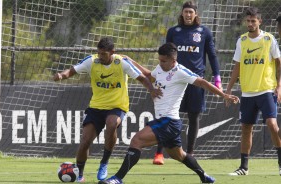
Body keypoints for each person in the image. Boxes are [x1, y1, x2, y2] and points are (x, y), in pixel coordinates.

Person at [99, 43, 239, 184]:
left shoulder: (181, 72)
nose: (160, 63)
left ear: (173, 61)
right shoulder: (160, 67)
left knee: (136, 140)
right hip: (167, 122)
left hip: (168, 121)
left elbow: (202, 83)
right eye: (159, 60)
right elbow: (149, 75)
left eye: (163, 61)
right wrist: (130, 60)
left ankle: (117, 178)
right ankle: (205, 176)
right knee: (180, 155)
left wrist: (224, 95)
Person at [53, 37, 161, 182]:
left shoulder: (121, 63)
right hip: (96, 106)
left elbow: (142, 78)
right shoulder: (91, 61)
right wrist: (61, 75)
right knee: (85, 141)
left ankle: (104, 163)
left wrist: (151, 90)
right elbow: (72, 71)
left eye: (103, 54)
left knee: (111, 124)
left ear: (112, 52)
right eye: (99, 53)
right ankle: (79, 173)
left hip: (117, 106)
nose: (100, 56)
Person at [153, 0, 223, 165]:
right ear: (182, 13)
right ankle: (158, 153)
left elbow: (212, 56)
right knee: (166, 115)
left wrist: (217, 78)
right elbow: (165, 55)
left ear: (196, 14)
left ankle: (190, 153)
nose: (188, 15)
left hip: (194, 79)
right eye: (186, 12)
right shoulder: (173, 31)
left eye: (191, 12)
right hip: (174, 79)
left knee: (193, 116)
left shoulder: (204, 32)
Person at [226, 7, 281, 176]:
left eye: (253, 21)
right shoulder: (241, 41)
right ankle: (244, 167)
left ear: (260, 21)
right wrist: (228, 89)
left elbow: (279, 62)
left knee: (272, 124)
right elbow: (237, 66)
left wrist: (279, 86)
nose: (250, 24)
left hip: (266, 90)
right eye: (248, 21)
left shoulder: (268, 39)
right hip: (248, 92)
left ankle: (280, 164)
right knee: (246, 128)